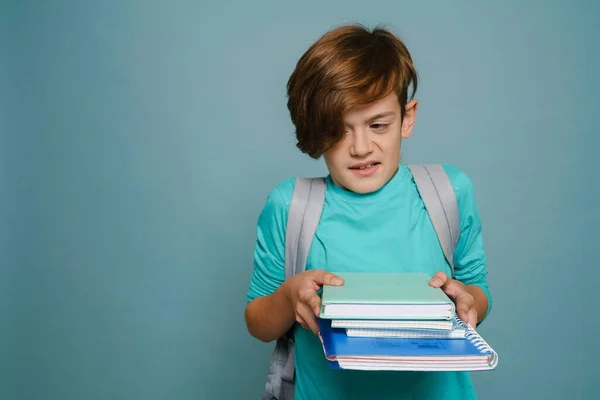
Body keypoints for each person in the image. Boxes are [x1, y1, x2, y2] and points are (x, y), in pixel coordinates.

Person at [244, 23, 492, 400]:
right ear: (316, 128)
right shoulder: (290, 205)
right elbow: (258, 322)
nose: (361, 147)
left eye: (378, 125)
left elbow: (478, 290)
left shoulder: (448, 192)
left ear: (407, 118)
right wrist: (289, 296)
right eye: (340, 131)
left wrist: (468, 299)